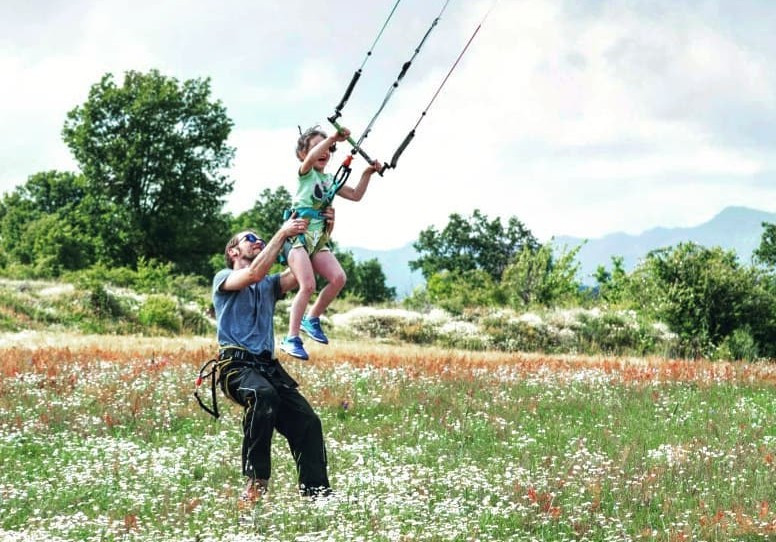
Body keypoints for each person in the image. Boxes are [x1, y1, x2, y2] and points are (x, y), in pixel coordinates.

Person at [211, 212, 334, 504]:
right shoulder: (224, 277)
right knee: (262, 395)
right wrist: (281, 233)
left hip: (267, 366)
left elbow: (304, 274)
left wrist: (319, 233)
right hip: (235, 366)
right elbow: (252, 273)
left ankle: (317, 495)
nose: (258, 242)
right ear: (233, 251)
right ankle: (256, 482)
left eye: (260, 240)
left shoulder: (270, 285)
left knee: (308, 422)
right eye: (250, 239)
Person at [280, 125, 382, 360]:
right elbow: (314, 156)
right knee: (308, 285)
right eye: (316, 146)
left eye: (328, 148)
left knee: (339, 278)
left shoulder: (329, 180)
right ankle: (291, 337)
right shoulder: (304, 172)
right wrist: (333, 138)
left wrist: (367, 173)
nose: (324, 151)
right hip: (298, 236)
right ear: (302, 154)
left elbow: (356, 195)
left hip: (318, 239)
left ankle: (312, 318)